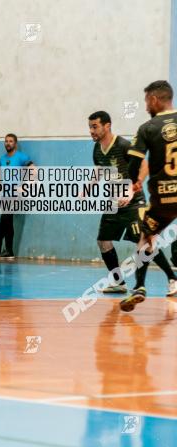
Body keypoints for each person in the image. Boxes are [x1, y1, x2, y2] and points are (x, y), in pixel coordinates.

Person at [87, 110, 176, 295]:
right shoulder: (97, 149)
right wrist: (88, 188)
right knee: (103, 241)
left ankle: (172, 279)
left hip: (134, 203)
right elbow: (99, 170)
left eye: (95, 127)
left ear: (107, 126)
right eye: (90, 127)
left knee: (145, 244)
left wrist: (130, 190)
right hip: (114, 204)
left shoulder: (123, 145)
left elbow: (144, 165)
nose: (91, 131)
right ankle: (118, 282)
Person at [120, 80, 177, 311]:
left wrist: (134, 181)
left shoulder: (148, 128)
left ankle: (140, 286)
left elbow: (134, 162)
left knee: (146, 236)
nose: (145, 107)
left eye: (146, 101)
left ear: (154, 99)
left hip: (163, 200)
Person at [0, 133, 33, 258]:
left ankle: (5, 248)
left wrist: (24, 186)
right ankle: (2, 247)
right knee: (5, 220)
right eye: (6, 141)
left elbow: (34, 170)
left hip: (15, 194)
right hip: (5, 194)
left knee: (6, 218)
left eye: (10, 141)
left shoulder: (21, 157)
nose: (8, 143)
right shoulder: (2, 159)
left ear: (15, 143)